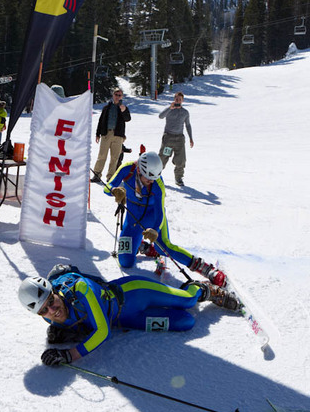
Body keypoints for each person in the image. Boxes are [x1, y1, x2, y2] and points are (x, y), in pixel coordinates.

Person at [18, 265, 241, 367]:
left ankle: (203, 289)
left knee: (187, 301)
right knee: (186, 322)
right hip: (126, 320)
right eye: (44, 311)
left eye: (51, 301)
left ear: (54, 291)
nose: (52, 310)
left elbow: (102, 332)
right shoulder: (48, 316)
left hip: (134, 293)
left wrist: (69, 355)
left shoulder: (80, 289)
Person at [104, 151, 227, 287]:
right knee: (125, 262)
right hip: (132, 219)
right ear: (139, 170)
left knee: (164, 247)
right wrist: (114, 190)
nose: (151, 182)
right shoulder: (127, 169)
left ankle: (205, 268)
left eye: (154, 178)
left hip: (152, 217)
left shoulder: (158, 184)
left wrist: (155, 230)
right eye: (148, 178)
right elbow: (107, 186)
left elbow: (160, 213)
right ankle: (144, 246)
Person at [91, 88, 131, 183]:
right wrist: (97, 134)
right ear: (113, 95)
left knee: (115, 157)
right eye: (116, 94)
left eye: (119, 95)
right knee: (102, 155)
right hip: (106, 134)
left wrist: (124, 110)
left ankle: (111, 176)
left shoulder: (123, 108)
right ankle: (97, 174)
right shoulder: (106, 108)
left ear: (122, 97)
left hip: (118, 135)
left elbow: (128, 119)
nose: (117, 97)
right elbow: (101, 121)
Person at [158, 91, 194, 187]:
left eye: (180, 99)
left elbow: (188, 125)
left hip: (179, 139)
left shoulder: (185, 112)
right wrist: (170, 108)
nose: (178, 100)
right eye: (176, 99)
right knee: (163, 157)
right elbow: (160, 116)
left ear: (182, 100)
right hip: (168, 138)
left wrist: (191, 138)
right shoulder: (170, 109)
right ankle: (156, 176)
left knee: (181, 160)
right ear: (174, 99)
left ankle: (178, 178)